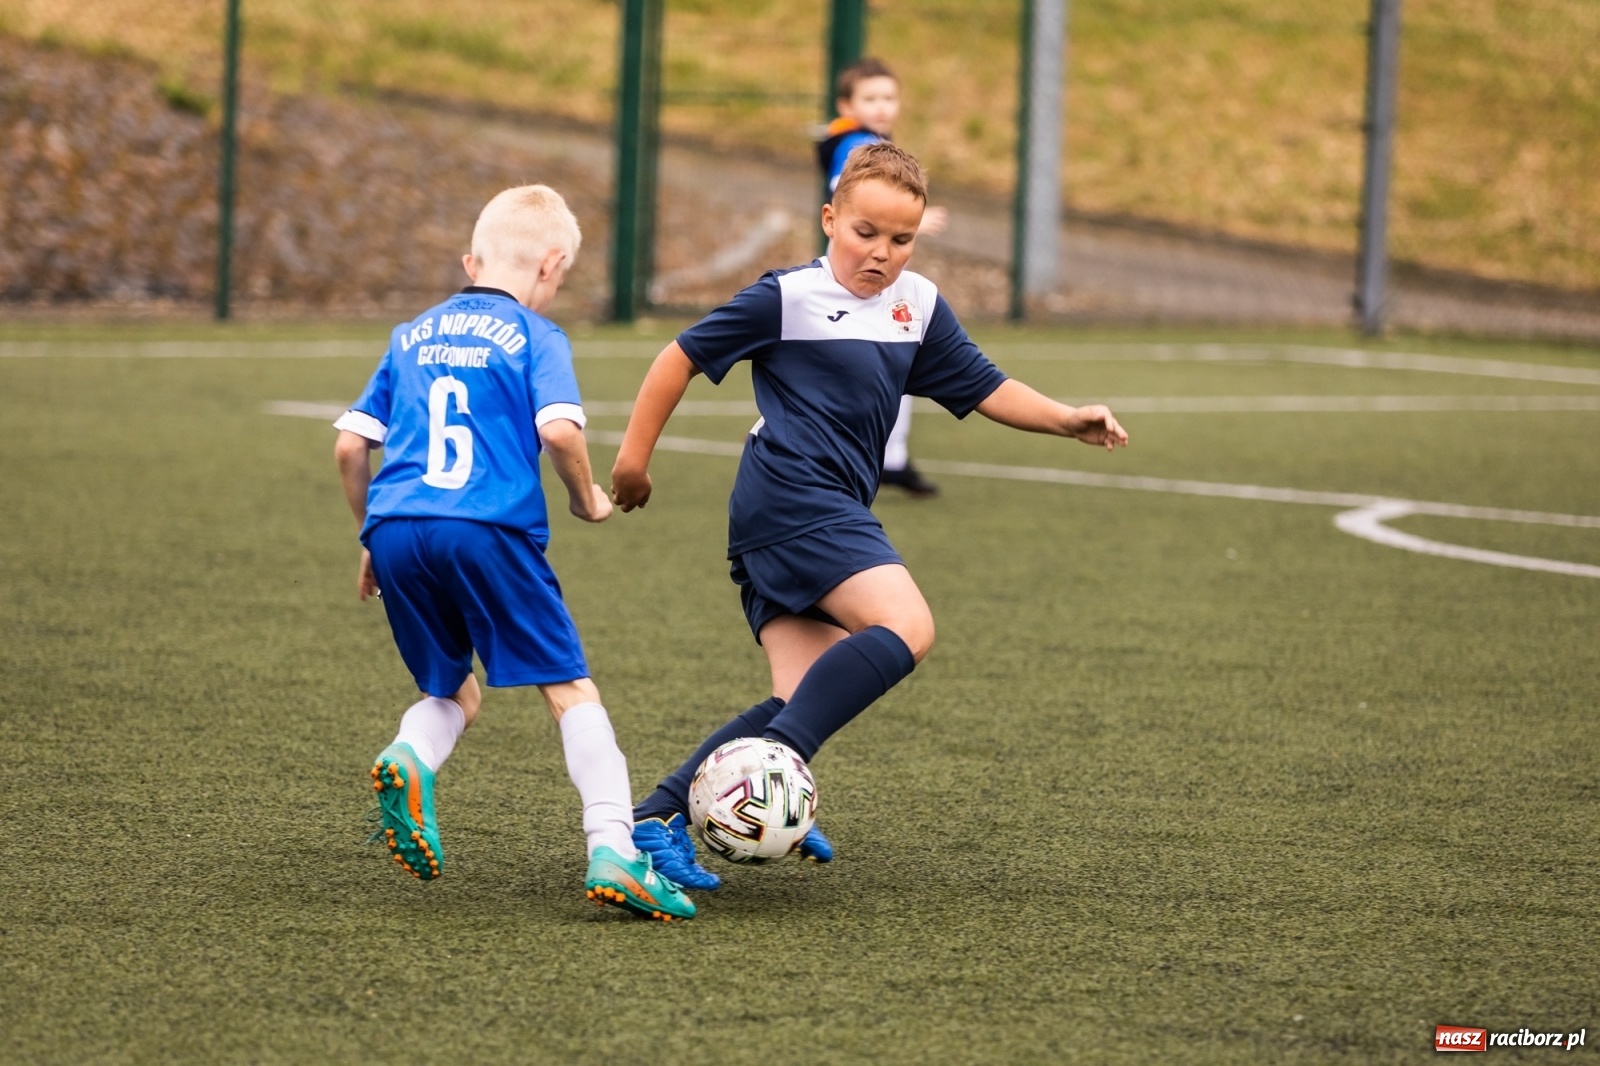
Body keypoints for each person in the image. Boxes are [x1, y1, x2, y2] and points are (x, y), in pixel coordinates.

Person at [612, 144, 1127, 891]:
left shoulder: (916, 304)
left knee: (802, 691)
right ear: (828, 220)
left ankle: (657, 815)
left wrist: (1066, 418)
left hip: (814, 508)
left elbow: (985, 385)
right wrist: (634, 459)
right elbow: (678, 356)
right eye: (864, 232)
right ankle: (770, 774)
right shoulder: (786, 297)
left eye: (900, 239)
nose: (880, 254)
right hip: (792, 496)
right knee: (908, 628)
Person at [332, 185, 695, 922]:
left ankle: (410, 757)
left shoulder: (411, 334)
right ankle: (614, 847)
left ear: (472, 260)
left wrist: (371, 532)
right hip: (487, 528)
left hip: (398, 526)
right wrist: (586, 497)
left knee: (453, 692)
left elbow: (349, 446)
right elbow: (560, 433)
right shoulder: (536, 336)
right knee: (570, 692)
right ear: (553, 264)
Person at [816, 56, 947, 498]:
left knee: (896, 355)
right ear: (846, 104)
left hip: (869, 272)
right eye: (870, 98)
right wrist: (901, 220)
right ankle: (782, 432)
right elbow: (845, 189)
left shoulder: (871, 143)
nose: (882, 106)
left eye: (889, 97)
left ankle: (892, 457)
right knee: (858, 359)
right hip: (854, 274)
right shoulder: (853, 143)